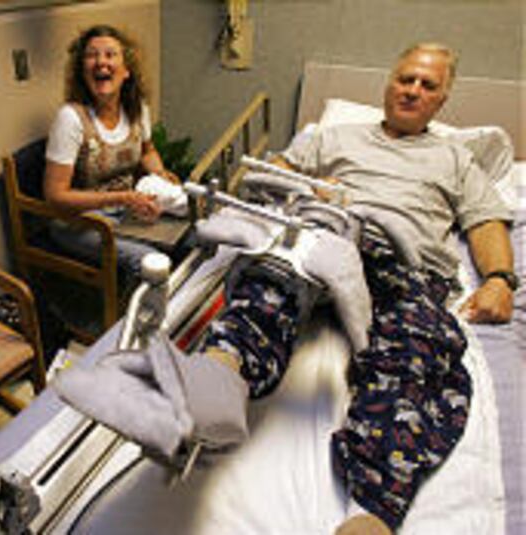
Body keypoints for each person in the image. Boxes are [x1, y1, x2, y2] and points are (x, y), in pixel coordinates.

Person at [198, 43, 515, 535]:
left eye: (427, 85)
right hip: (326, 236)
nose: (412, 90)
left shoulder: (455, 159)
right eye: (406, 78)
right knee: (270, 283)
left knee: (417, 347)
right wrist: (307, 187)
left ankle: (372, 511)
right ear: (389, 82)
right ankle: (220, 378)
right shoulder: (332, 137)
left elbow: (486, 222)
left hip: (403, 261)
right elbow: (271, 175)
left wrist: (499, 279)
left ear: (443, 100)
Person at [43, 24, 180, 282]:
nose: (100, 62)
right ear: (82, 71)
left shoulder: (137, 110)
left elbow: (147, 150)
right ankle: (141, 321)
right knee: (151, 263)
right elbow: (55, 196)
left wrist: (160, 174)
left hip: (124, 212)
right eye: (91, 55)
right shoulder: (70, 119)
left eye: (110, 54)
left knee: (188, 236)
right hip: (79, 223)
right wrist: (125, 197)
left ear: (126, 70)